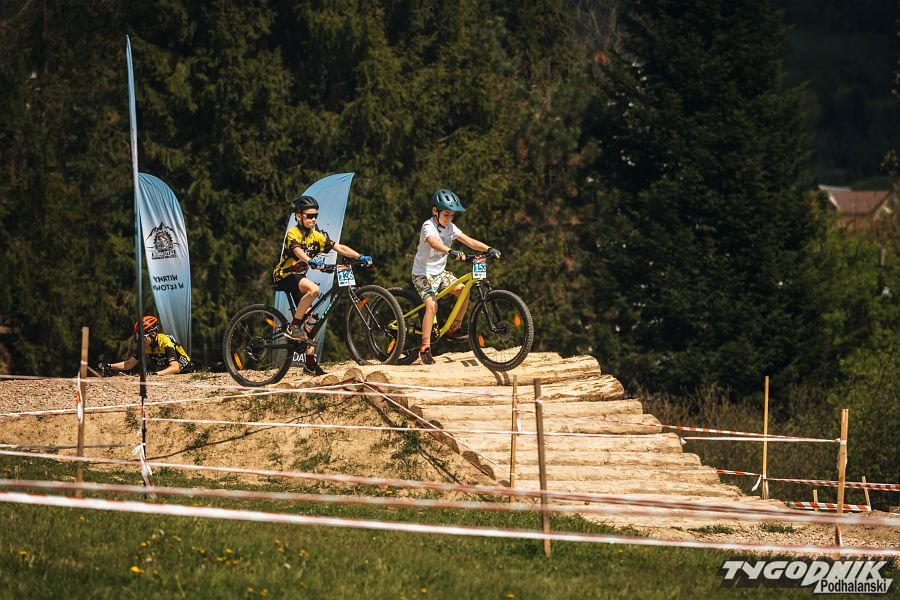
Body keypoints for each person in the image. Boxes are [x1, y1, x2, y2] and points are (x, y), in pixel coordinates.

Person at [273, 194, 372, 376]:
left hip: (298, 278)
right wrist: (310, 260)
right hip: (285, 275)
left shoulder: (315, 236)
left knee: (312, 322)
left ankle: (310, 365)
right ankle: (293, 326)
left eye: (315, 216)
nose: (313, 219)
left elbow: (339, 247)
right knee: (314, 289)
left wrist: (359, 256)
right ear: (298, 216)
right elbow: (297, 250)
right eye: (309, 216)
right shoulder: (293, 233)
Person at [411, 188, 501, 365]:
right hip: (422, 273)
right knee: (432, 305)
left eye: (452, 215)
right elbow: (433, 243)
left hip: (440, 273)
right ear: (435, 211)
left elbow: (470, 241)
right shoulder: (428, 226)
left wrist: (488, 248)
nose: (449, 218)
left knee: (463, 291)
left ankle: (454, 328)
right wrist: (451, 251)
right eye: (446, 214)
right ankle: (425, 347)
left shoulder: (450, 227)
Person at [98, 315, 194, 376]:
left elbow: (175, 367)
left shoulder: (165, 342)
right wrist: (110, 366)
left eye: (143, 336)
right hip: (169, 373)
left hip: (185, 371)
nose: (141, 340)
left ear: (153, 334)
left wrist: (155, 374)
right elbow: (129, 364)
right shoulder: (145, 345)